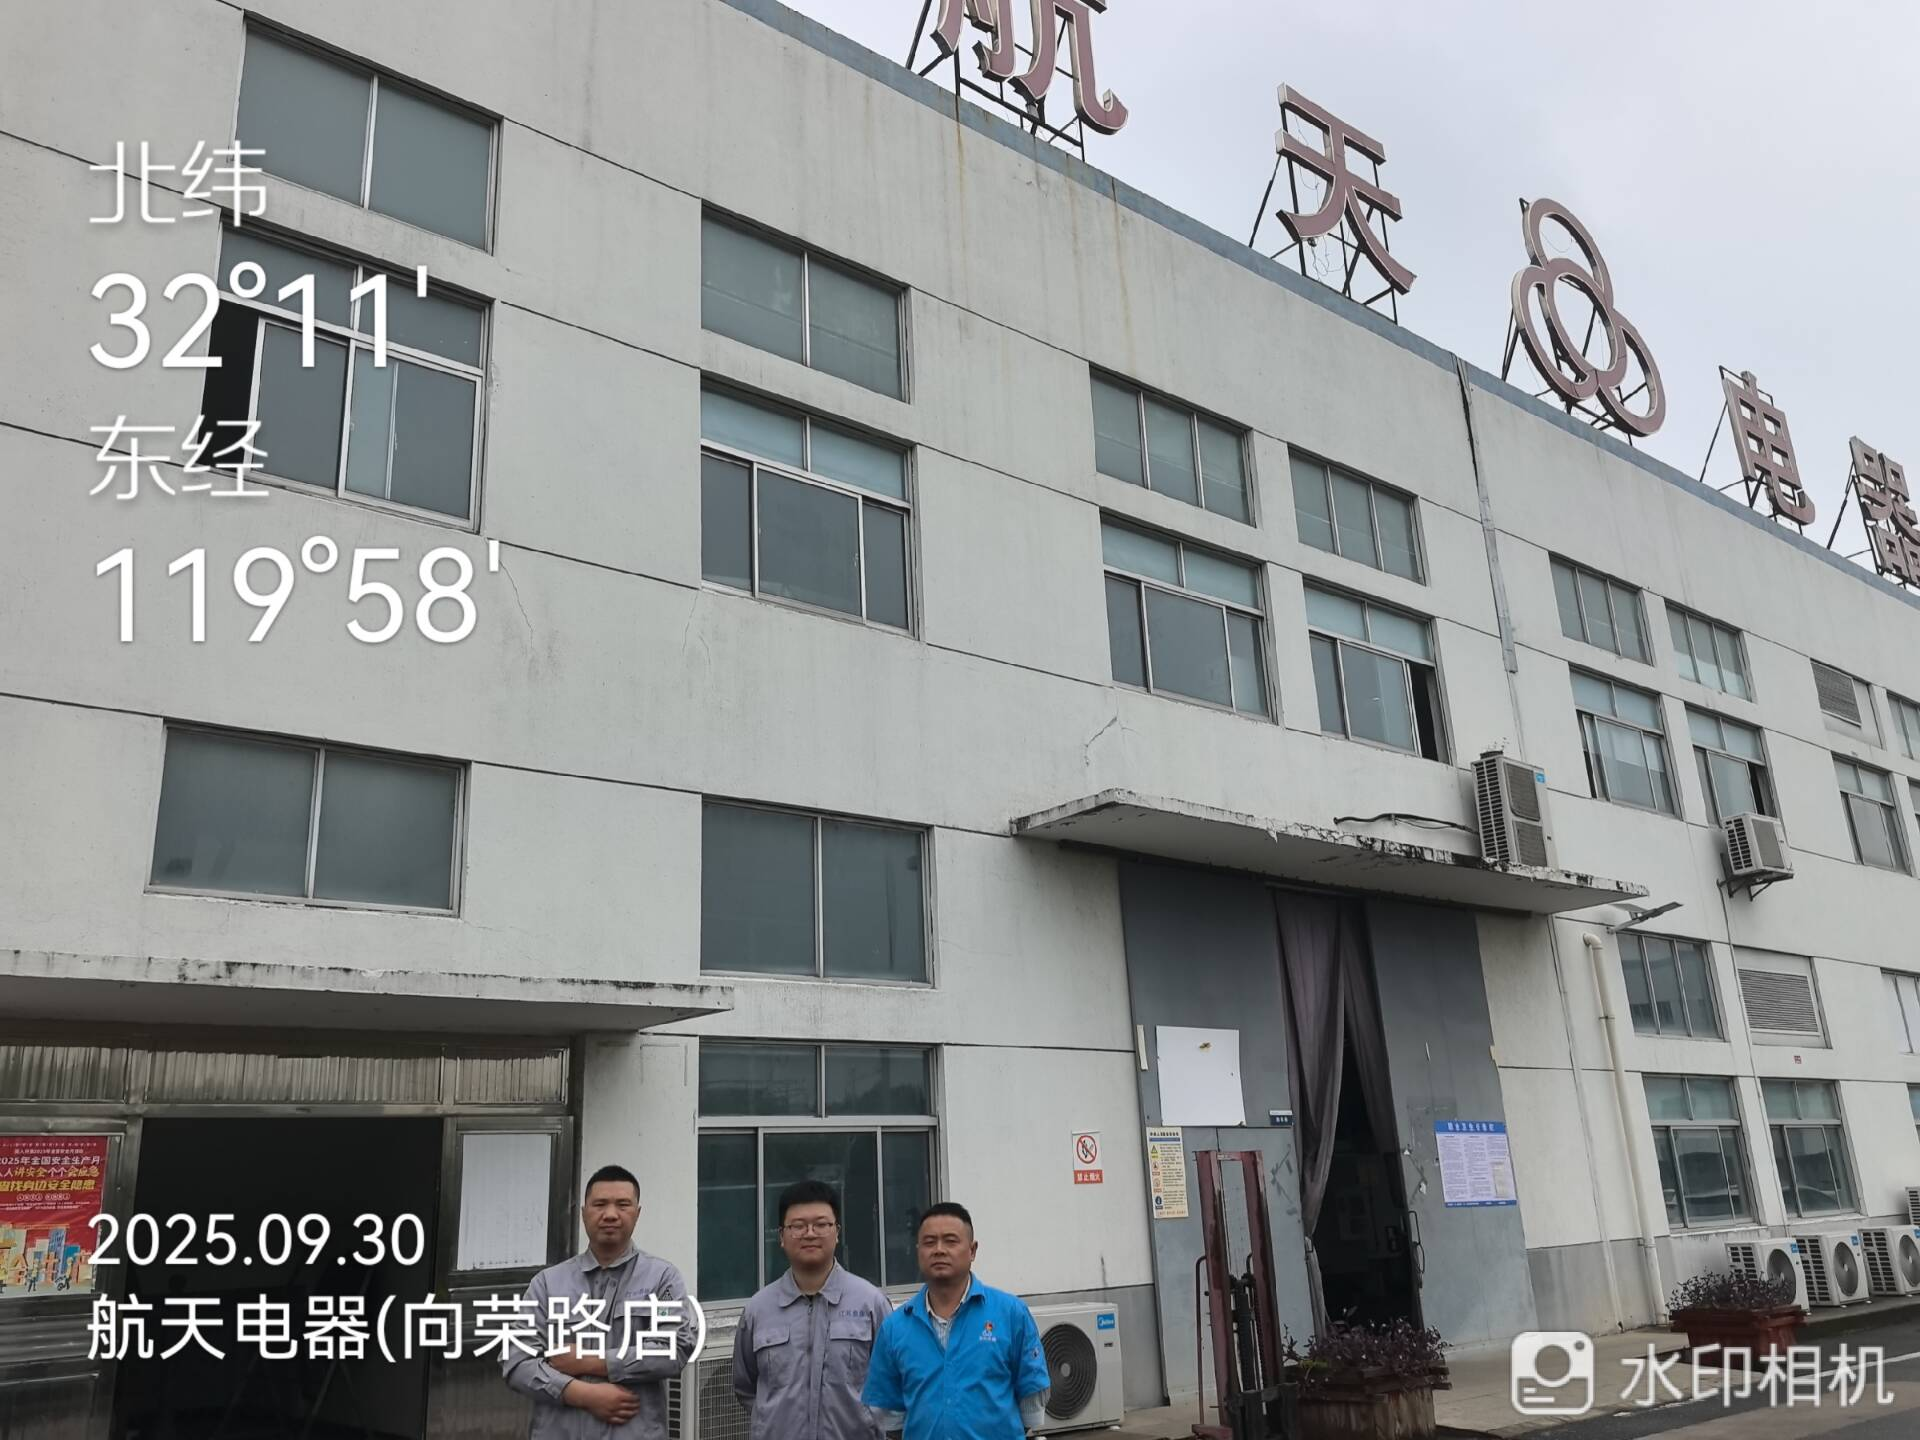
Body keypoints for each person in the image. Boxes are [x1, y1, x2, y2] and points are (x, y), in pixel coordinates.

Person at [502, 1164, 697, 1438]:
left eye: (623, 1205)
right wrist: (581, 1394)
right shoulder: (547, 1284)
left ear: (637, 1213)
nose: (611, 1214)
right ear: (584, 1213)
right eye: (600, 1204)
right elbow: (515, 1361)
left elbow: (673, 1349)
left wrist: (592, 1361)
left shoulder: (662, 1279)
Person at [861, 1202, 1051, 1439]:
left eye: (950, 1241)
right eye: (929, 1242)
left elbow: (1031, 1401)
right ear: (918, 1250)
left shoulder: (1011, 1314)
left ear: (972, 1250)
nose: (939, 1250)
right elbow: (891, 1415)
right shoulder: (895, 1327)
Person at [733, 1179, 894, 1439]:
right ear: (782, 1236)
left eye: (821, 1224)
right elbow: (746, 1386)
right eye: (798, 1226)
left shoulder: (871, 1303)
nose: (809, 1233)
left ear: (837, 1232)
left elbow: (892, 1381)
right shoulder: (758, 1309)